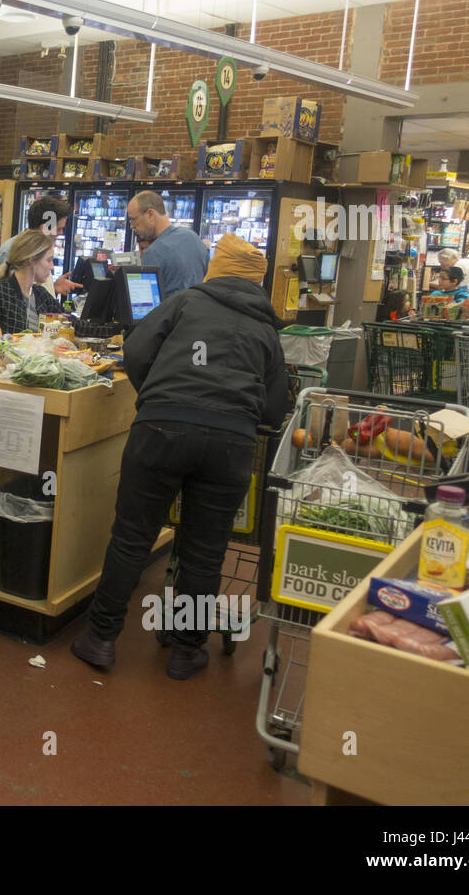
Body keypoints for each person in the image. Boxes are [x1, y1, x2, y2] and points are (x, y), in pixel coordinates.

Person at [72, 234, 288, 680]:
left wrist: (158, 392)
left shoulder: (185, 303)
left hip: (161, 429)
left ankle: (101, 638)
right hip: (230, 444)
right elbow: (273, 407)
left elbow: (134, 350)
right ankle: (186, 651)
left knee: (133, 536)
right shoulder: (267, 330)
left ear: (216, 270)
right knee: (205, 552)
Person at [0, 196, 82, 299]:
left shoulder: (42, 250)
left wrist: (53, 288)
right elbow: (1, 296)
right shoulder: (11, 251)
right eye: (59, 229)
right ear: (44, 228)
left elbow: (30, 290)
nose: (61, 233)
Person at [129, 190, 208, 297]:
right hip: (196, 311)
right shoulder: (193, 237)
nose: (131, 226)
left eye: (133, 219)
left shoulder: (153, 252)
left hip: (169, 313)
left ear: (150, 214)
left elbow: (146, 305)